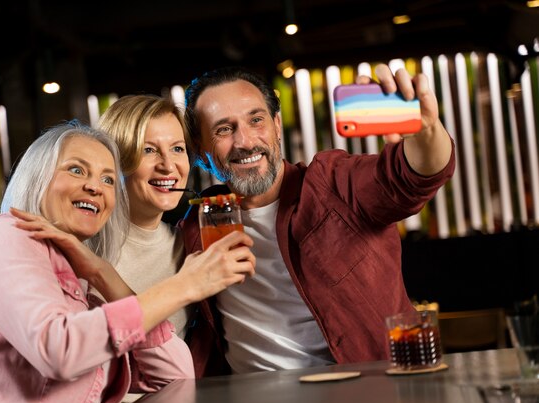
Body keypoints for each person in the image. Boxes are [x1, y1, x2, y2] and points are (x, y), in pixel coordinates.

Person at [0, 121, 255, 403]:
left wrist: (103, 275)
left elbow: (177, 378)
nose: (95, 186)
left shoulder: (84, 274)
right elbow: (58, 349)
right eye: (76, 170)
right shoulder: (6, 233)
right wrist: (184, 286)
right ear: (38, 177)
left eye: (107, 179)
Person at [180, 63, 455, 376]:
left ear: (277, 125)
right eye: (224, 130)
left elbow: (410, 178)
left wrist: (426, 131)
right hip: (252, 401)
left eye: (256, 120)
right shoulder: (195, 226)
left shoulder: (333, 182)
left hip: (366, 391)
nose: (245, 141)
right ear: (201, 151)